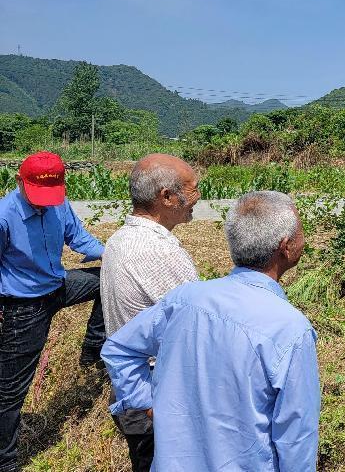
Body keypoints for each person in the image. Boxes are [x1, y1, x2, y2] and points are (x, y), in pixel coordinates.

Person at [103, 191, 320, 471]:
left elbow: (119, 349)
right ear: (286, 246)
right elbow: (295, 438)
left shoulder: (184, 300)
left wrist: (148, 403)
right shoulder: (290, 330)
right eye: (301, 232)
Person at [0, 152, 105, 472]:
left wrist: (117, 254)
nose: (43, 203)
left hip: (57, 286)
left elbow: (79, 239)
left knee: (107, 278)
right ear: (19, 181)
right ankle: (6, 462)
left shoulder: (59, 204)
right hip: (24, 305)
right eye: (37, 196)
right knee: (9, 392)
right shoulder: (4, 215)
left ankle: (93, 347)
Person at [99, 154, 201, 472]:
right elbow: (199, 326)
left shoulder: (120, 239)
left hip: (134, 392)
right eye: (192, 188)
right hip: (157, 399)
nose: (198, 196)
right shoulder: (159, 252)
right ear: (167, 197)